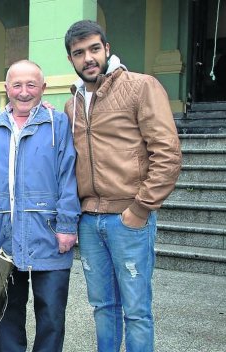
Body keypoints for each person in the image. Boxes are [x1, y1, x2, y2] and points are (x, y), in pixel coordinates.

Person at [63, 20, 182, 351]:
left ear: (107, 49)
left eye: (94, 49)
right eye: (79, 53)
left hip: (128, 217)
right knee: (103, 309)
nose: (88, 58)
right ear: (71, 59)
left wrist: (141, 208)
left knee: (137, 312)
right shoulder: (72, 105)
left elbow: (168, 155)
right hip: (89, 221)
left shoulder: (141, 87)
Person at [0, 60, 81, 352]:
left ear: (43, 88)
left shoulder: (57, 125)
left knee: (51, 316)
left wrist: (68, 226)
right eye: (17, 85)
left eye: (31, 85)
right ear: (7, 88)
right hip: (3, 237)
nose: (24, 92)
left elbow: (68, 177)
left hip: (49, 235)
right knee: (6, 315)